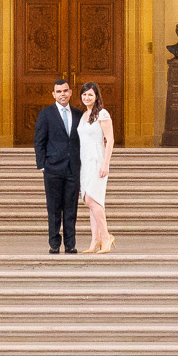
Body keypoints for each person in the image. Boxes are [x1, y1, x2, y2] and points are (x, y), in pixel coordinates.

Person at [32, 75, 81, 255]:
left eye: (65, 91)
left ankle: (70, 244)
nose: (62, 94)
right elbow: (39, 141)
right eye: (59, 91)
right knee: (53, 208)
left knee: (71, 208)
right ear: (53, 94)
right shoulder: (45, 114)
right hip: (52, 168)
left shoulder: (78, 114)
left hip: (72, 169)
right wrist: (42, 165)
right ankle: (54, 244)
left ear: (70, 93)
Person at [77, 81, 116, 254]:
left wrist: (105, 163)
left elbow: (110, 139)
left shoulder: (103, 114)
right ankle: (95, 240)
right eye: (84, 94)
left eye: (90, 94)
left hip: (97, 160)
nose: (87, 97)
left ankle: (106, 236)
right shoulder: (84, 115)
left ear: (96, 96)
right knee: (89, 200)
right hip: (84, 161)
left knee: (94, 200)